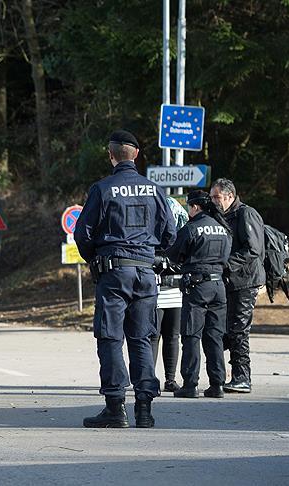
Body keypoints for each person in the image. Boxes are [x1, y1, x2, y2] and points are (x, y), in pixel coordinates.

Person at [74, 130, 176, 429]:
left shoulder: (103, 189)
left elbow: (82, 233)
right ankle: (144, 409)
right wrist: (149, 251)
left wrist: (94, 258)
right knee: (142, 338)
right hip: (146, 272)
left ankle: (115, 407)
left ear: (111, 155)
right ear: (137, 154)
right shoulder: (156, 190)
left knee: (110, 338)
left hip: (114, 272)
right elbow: (170, 233)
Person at [165, 190, 232, 399]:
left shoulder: (192, 227)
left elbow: (174, 254)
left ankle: (190, 384)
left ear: (195, 207)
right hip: (219, 286)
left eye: (189, 207)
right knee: (214, 337)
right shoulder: (223, 228)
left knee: (191, 336)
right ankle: (217, 384)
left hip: (197, 287)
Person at [209, 178, 265, 394]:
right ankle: (228, 374)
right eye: (211, 197)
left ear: (229, 196)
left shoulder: (245, 214)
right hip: (230, 280)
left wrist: (226, 264)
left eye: (217, 197)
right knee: (226, 329)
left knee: (239, 329)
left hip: (246, 280)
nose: (213, 201)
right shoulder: (222, 216)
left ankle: (242, 377)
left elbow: (253, 249)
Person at [151, 197, 189, 392]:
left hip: (175, 292)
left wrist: (169, 266)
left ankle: (170, 379)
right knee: (153, 336)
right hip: (155, 292)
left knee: (172, 336)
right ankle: (149, 379)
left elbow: (186, 261)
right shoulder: (150, 234)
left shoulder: (183, 236)